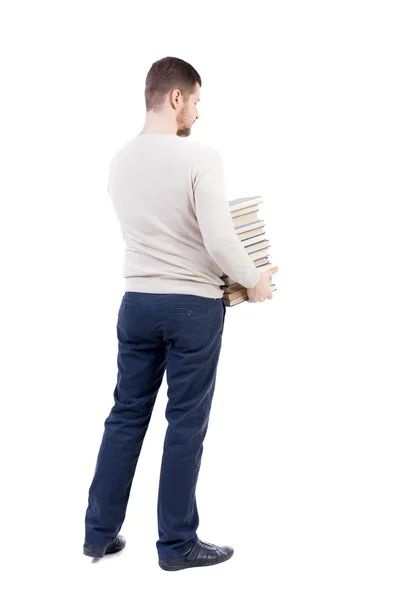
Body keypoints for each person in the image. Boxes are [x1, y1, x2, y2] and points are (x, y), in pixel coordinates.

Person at [83, 56, 278, 570]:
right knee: (185, 424)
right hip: (192, 306)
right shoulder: (200, 158)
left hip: (136, 303)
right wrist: (255, 280)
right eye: (195, 100)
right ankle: (176, 545)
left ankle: (98, 534)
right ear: (175, 98)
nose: (197, 111)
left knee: (125, 416)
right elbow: (219, 239)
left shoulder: (119, 160)